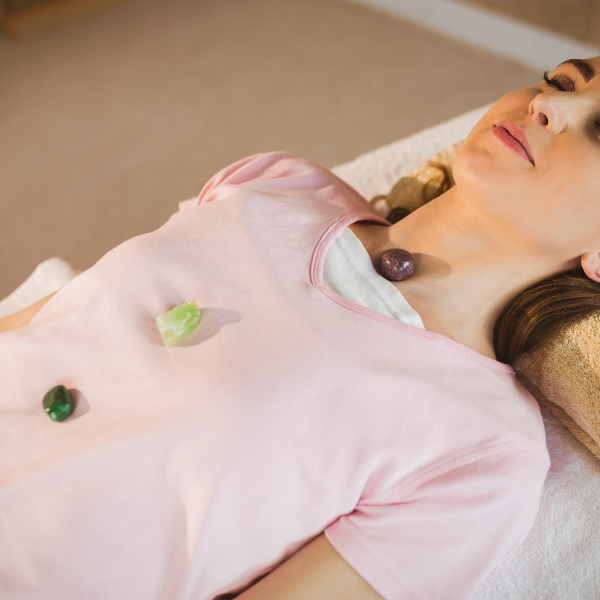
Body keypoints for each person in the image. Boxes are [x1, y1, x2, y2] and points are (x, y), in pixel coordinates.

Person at [1, 55, 599, 600]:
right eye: (562, 80)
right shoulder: (282, 183)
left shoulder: (484, 454)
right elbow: (58, 317)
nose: (551, 104)